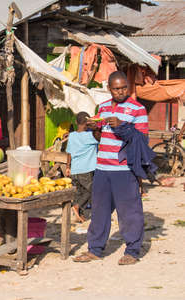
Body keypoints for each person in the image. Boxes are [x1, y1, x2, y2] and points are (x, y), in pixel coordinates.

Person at [73, 71, 148, 265]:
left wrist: (123, 126)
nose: (121, 91)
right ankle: (95, 249)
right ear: (109, 89)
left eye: (124, 87)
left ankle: (132, 251)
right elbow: (100, 138)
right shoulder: (104, 107)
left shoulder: (137, 109)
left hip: (124, 169)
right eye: (116, 88)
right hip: (102, 167)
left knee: (129, 212)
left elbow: (142, 140)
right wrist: (95, 128)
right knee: (99, 210)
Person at [66, 111, 100, 223]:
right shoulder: (91, 136)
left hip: (74, 169)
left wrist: (67, 167)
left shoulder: (71, 135)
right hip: (86, 169)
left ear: (76, 122)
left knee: (79, 192)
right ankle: (77, 207)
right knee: (91, 190)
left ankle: (79, 215)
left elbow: (69, 153)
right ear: (88, 123)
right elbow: (100, 136)